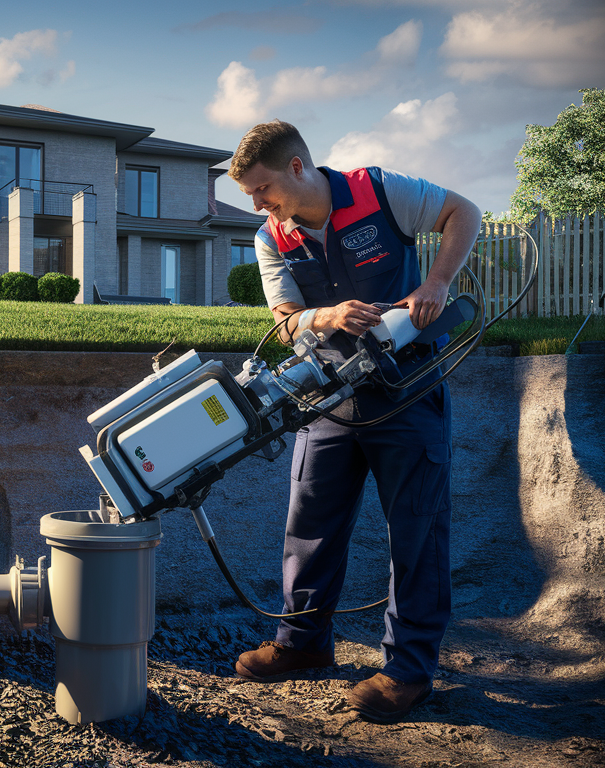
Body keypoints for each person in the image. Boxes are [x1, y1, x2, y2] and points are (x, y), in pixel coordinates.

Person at [226, 120, 480, 724]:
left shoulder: (380, 190)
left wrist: (437, 281)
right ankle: (302, 644)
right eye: (250, 198)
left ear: (296, 168)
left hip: (406, 392)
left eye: (262, 190)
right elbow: (284, 320)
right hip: (328, 399)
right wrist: (325, 316)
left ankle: (407, 670)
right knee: (309, 525)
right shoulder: (272, 238)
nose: (259, 205)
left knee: (416, 533)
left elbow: (462, 212)